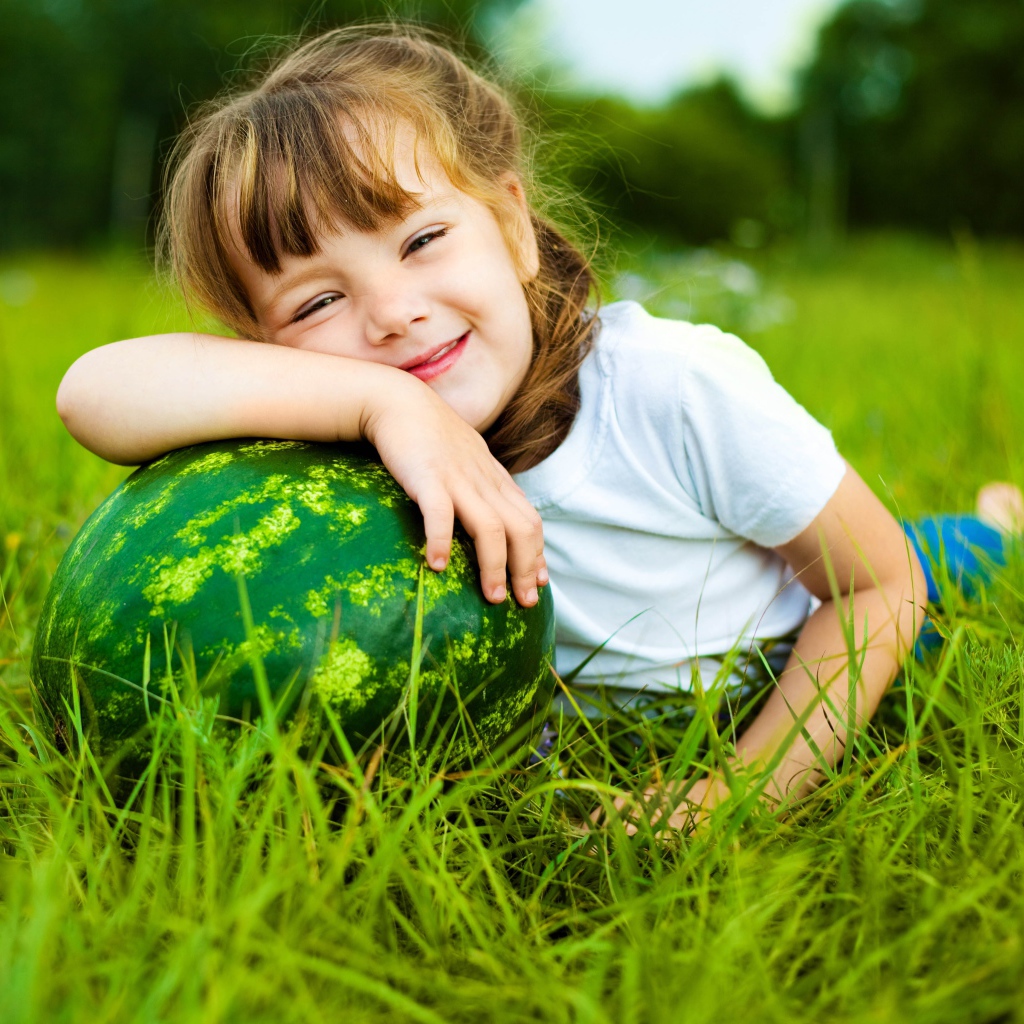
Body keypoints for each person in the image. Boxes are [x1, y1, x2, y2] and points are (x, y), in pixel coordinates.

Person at [55, 26, 1018, 829]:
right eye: (315, 302)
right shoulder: (349, 423)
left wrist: (737, 792)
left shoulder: (672, 388)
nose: (391, 314)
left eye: (423, 239)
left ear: (512, 224)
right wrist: (385, 404)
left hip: (782, 647)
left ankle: (996, 521)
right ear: (260, 346)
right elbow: (91, 393)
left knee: (936, 560)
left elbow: (872, 587)